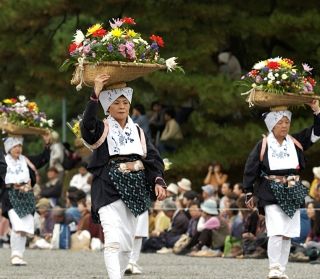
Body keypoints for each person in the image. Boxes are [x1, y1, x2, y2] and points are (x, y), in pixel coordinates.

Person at [80, 74, 166, 279]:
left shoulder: (138, 131)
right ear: (107, 107)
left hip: (135, 188)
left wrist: (158, 180)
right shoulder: (102, 127)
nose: (121, 106)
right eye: (116, 102)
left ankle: (121, 270)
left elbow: (153, 159)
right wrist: (96, 92)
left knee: (127, 245)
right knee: (113, 240)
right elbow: (87, 125)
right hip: (107, 188)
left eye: (125, 102)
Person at [243, 100, 320, 279]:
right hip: (270, 188)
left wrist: (316, 110)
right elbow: (251, 168)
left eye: (287, 122)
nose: (284, 126)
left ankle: (282, 269)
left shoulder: (295, 142)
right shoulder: (263, 144)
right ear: (271, 124)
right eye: (280, 122)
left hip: (292, 187)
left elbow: (317, 132)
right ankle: (274, 266)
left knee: (288, 233)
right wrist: (248, 191)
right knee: (276, 230)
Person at [1, 134, 50, 265]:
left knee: (24, 228)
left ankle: (19, 255)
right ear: (8, 148)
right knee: (17, 225)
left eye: (19, 146)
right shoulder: (3, 161)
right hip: (10, 196)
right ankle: (15, 255)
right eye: (15, 146)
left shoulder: (26, 160)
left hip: (26, 196)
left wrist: (47, 143)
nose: (18, 149)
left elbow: (43, 159)